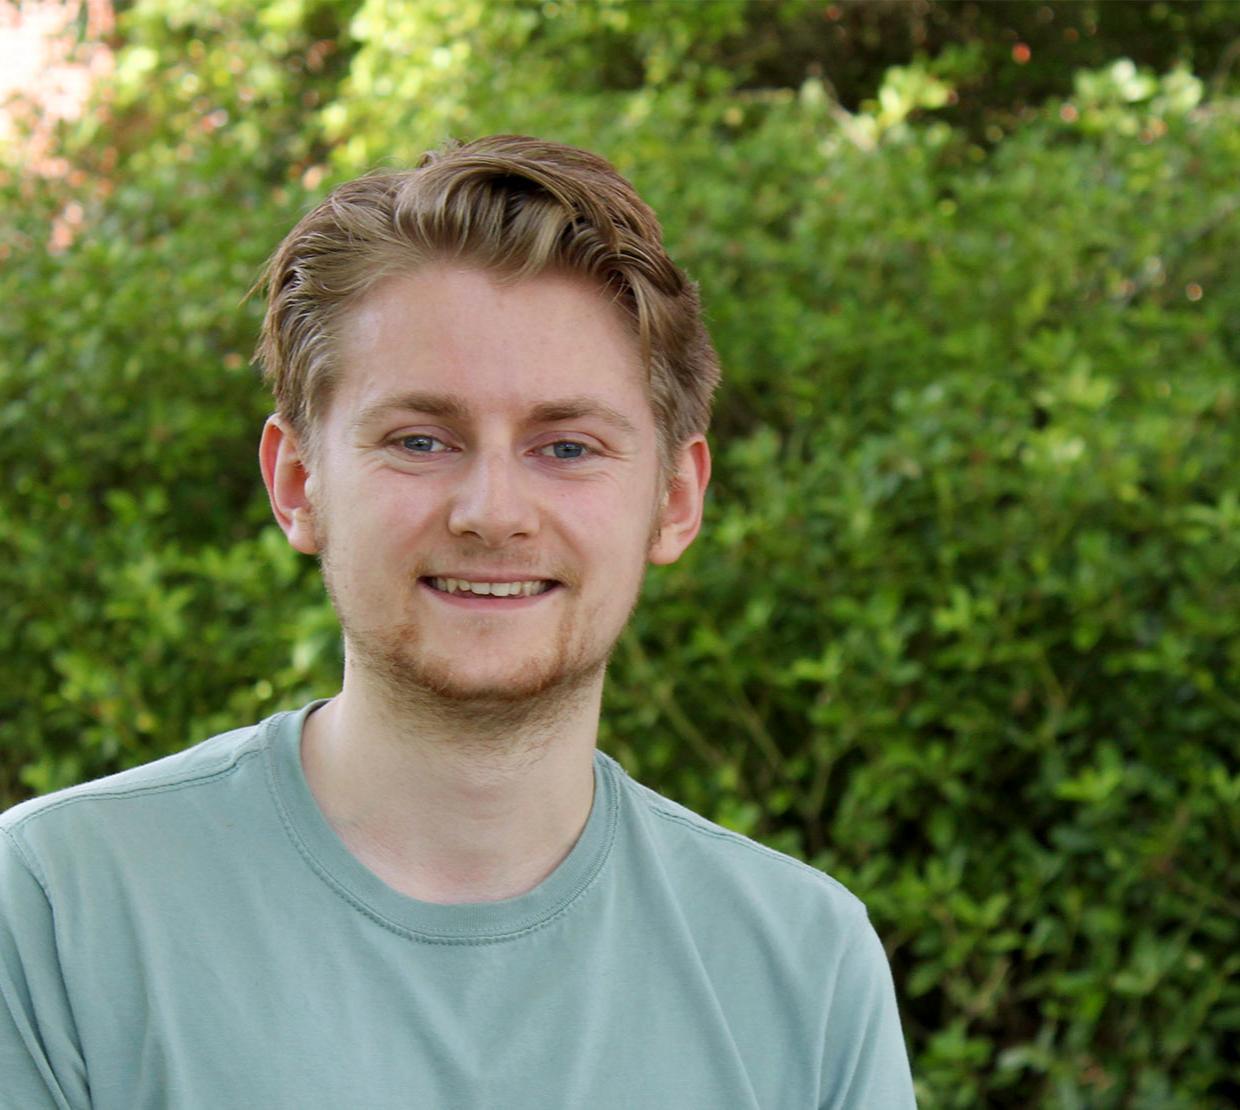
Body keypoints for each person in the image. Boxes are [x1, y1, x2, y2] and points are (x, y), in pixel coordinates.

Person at [0, 135, 916, 1109]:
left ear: (675, 500)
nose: (493, 513)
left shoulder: (802, 968)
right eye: (421, 440)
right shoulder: (57, 910)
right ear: (298, 482)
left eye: (567, 447)